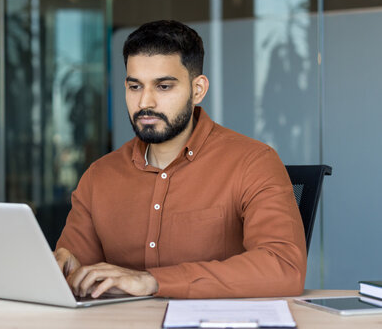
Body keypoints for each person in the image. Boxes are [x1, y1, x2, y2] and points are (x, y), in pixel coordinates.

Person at [54, 20, 307, 299]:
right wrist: (67, 271)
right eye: (135, 86)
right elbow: (73, 266)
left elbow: (283, 267)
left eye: (163, 87)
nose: (145, 103)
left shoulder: (253, 163)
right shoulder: (99, 176)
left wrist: (152, 281)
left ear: (197, 90)